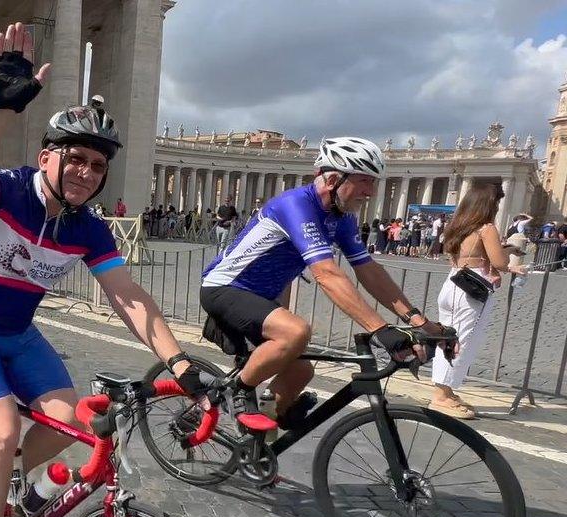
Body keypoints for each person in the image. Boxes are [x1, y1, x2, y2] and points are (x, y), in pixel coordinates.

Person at [0, 23, 204, 517]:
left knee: (69, 420)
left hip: (17, 332)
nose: (86, 171)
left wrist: (179, 361)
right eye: (75, 157)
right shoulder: (6, 190)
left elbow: (127, 296)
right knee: (5, 430)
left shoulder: (88, 227)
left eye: (98, 165)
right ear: (46, 158)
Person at [200, 137, 449, 430]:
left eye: (373, 182)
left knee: (301, 371)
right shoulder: (295, 205)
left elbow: (369, 270)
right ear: (332, 179)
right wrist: (380, 329)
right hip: (224, 287)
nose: (370, 191)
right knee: (296, 332)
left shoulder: (341, 217)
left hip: (261, 298)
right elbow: (327, 274)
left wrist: (419, 321)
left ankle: (256, 441)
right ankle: (233, 391)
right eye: (364, 181)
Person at [431, 184, 526, 419]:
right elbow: (500, 262)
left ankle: (446, 391)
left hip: (452, 282)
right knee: (461, 341)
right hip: (470, 289)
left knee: (449, 338)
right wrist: (510, 259)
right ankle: (441, 396)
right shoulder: (486, 228)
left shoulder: (458, 226)